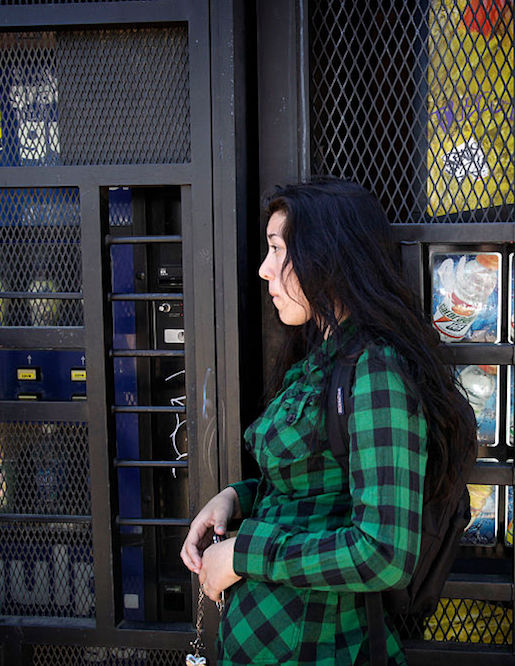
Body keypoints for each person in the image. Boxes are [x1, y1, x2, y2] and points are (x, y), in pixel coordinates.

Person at [180, 178, 476, 664]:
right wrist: (236, 497)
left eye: (278, 251)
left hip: (322, 648)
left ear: (329, 258)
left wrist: (241, 555)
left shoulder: (376, 374)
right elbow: (320, 488)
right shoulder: (322, 356)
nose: (263, 269)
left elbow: (381, 554)